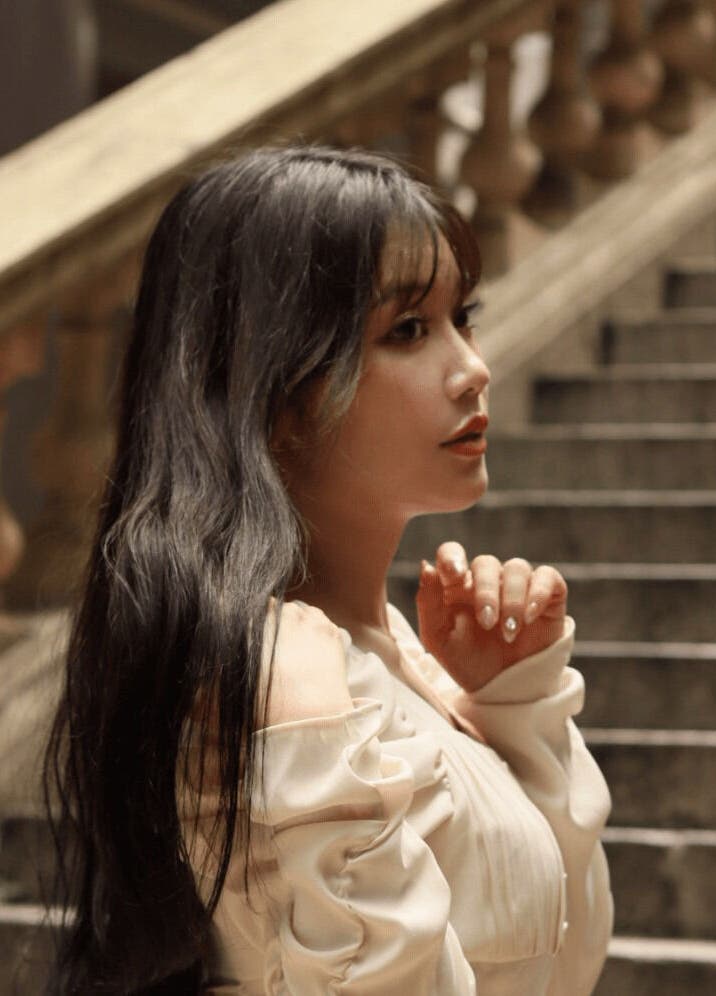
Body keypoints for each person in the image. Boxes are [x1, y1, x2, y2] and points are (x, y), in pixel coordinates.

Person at [42, 146, 613, 994]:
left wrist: (513, 709)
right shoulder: (268, 681)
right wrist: (312, 746)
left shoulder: (396, 658)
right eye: (408, 330)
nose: (474, 369)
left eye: (463, 318)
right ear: (268, 386)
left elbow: (563, 964)